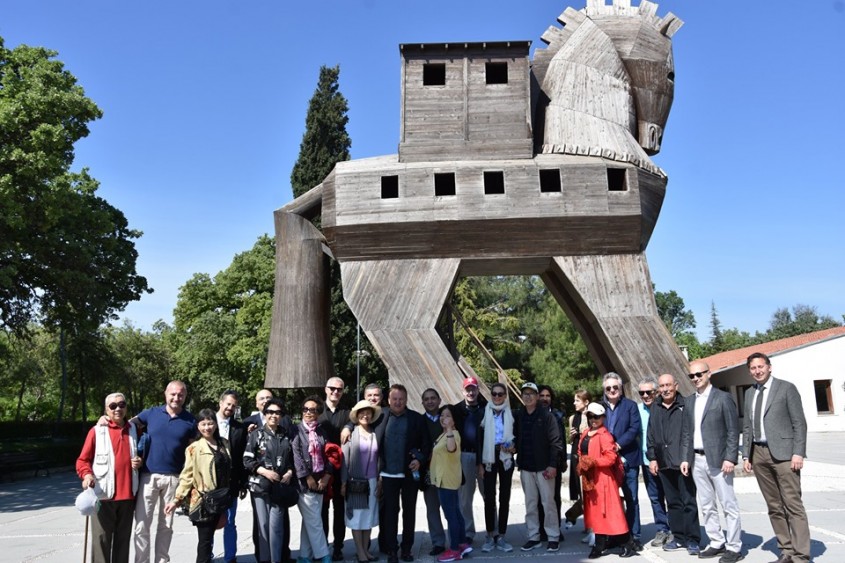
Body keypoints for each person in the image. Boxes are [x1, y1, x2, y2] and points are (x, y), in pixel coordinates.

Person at [742, 352, 810, 563]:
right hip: (759, 454)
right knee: (774, 505)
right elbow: (747, 426)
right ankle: (786, 550)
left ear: (769, 367)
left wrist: (798, 452)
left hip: (785, 455)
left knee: (793, 505)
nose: (757, 371)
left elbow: (799, 423)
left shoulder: (786, 388)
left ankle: (801, 556)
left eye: (761, 367)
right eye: (753, 368)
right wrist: (746, 455)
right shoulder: (749, 393)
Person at [680, 361, 742, 559]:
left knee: (728, 504)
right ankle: (716, 542)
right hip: (696, 460)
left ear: (709, 374)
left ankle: (734, 547)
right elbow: (686, 433)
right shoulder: (689, 401)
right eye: (692, 376)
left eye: (699, 374)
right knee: (706, 505)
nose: (696, 378)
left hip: (719, 460)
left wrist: (730, 457)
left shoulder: (723, 398)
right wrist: (684, 458)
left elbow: (733, 430)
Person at [134, 380, 196, 563]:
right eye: (173, 394)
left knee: (166, 526)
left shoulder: (191, 421)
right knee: (141, 525)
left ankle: (162, 561)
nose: (176, 398)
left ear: (185, 396)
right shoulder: (150, 414)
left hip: (173, 479)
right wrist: (105, 419)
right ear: (165, 394)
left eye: (180, 395)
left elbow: (193, 451)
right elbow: (125, 424)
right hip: (148, 476)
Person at [76, 392, 142, 563]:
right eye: (113, 406)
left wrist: (139, 461)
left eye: (121, 404)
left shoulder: (134, 429)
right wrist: (87, 474)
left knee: (123, 543)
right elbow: (82, 460)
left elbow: (142, 452)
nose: (118, 408)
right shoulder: (97, 431)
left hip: (128, 496)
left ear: (126, 407)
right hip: (103, 496)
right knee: (101, 541)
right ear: (106, 409)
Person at [164, 409, 234, 563]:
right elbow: (187, 476)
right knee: (205, 541)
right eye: (203, 424)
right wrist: (176, 499)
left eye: (210, 423)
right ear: (198, 426)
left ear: (215, 424)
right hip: (204, 500)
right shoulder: (194, 448)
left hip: (221, 499)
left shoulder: (224, 443)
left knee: (212, 539)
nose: (207, 427)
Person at [375, 384, 431, 563]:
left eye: (401, 399)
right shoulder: (380, 416)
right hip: (388, 474)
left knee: (409, 512)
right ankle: (392, 550)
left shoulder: (416, 418)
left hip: (409, 474)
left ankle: (407, 549)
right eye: (395, 399)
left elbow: (426, 444)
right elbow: (358, 419)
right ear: (389, 400)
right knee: (390, 513)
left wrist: (419, 460)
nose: (398, 402)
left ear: (406, 400)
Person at [646, 374, 701, 555]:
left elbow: (688, 434)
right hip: (663, 462)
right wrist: (653, 458)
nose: (665, 389)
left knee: (688, 502)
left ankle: (693, 539)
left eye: (668, 385)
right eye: (662, 386)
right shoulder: (655, 407)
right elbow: (651, 435)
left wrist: (686, 458)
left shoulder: (685, 405)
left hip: (682, 462)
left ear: (676, 386)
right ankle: (678, 537)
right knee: (673, 503)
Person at [577, 403, 636, 559]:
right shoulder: (585, 433)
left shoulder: (605, 435)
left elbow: (611, 458)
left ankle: (627, 543)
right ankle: (600, 544)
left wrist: (593, 462)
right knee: (595, 514)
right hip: (590, 479)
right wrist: (581, 463)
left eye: (596, 416)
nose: (593, 419)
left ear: (603, 417)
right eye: (590, 416)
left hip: (603, 479)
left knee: (611, 513)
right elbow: (580, 451)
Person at [243, 389, 293, 563]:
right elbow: (247, 460)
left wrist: (289, 472)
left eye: (278, 413)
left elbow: (292, 460)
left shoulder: (286, 435)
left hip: (279, 487)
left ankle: (276, 559)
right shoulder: (256, 434)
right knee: (263, 526)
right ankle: (264, 560)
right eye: (270, 412)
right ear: (264, 414)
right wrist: (264, 471)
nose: (274, 415)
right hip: (260, 486)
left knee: (276, 527)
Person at [514, 382, 562, 552]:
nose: (528, 397)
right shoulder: (519, 416)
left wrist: (552, 465)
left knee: (548, 504)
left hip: (544, 468)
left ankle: (553, 536)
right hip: (526, 467)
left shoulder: (547, 416)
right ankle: (533, 537)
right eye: (524, 394)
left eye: (531, 394)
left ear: (536, 396)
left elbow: (556, 443)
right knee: (530, 504)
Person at [600, 372, 642, 551]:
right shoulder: (599, 407)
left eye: (615, 387)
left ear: (620, 388)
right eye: (608, 388)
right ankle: (615, 536)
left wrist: (617, 445)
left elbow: (634, 429)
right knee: (610, 502)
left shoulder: (630, 406)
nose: (612, 390)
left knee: (631, 499)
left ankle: (634, 536)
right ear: (604, 389)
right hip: (606, 462)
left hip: (628, 459)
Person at [293, 395, 334, 563]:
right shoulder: (296, 430)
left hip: (320, 482)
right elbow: (296, 454)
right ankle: (323, 555)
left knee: (310, 521)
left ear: (318, 413)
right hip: (304, 483)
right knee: (315, 522)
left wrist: (326, 476)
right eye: (305, 409)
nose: (308, 412)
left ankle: (304, 556)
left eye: (313, 410)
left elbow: (330, 454)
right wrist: (306, 476)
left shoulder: (321, 431)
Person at [341, 400, 382, 563]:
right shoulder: (350, 434)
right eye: (362, 413)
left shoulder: (374, 433)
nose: (365, 415)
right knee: (357, 518)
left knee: (369, 517)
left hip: (372, 481)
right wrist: (343, 482)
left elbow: (379, 458)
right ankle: (360, 551)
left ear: (372, 416)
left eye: (368, 413)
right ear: (357, 416)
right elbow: (344, 460)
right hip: (355, 483)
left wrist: (380, 479)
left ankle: (365, 550)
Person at [431, 405, 472, 563]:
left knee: (451, 516)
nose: (443, 418)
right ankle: (462, 543)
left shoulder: (452, 434)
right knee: (456, 513)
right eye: (442, 415)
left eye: (448, 416)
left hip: (447, 481)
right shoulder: (444, 434)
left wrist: (448, 428)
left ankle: (454, 549)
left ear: (454, 420)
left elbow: (451, 448)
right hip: (444, 479)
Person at [477, 382, 515, 553]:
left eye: (501, 394)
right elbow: (479, 440)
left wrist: (514, 446)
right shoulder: (484, 413)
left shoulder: (512, 414)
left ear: (505, 396)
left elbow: (518, 435)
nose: (497, 397)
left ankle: (502, 535)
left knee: (505, 496)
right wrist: (480, 463)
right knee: (489, 497)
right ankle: (490, 534)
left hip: (506, 455)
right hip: (489, 456)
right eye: (494, 394)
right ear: (490, 395)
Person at [319, 377, 352, 561]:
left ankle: (338, 546)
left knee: (339, 511)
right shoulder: (316, 411)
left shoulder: (347, 413)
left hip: (340, 469)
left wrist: (348, 426)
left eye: (339, 389)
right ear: (326, 389)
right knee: (322, 511)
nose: (335, 392)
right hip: (321, 470)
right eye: (332, 388)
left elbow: (357, 421)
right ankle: (323, 546)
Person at [450, 376, 486, 544]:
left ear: (478, 390)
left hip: (485, 457)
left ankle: (493, 531)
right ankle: (468, 532)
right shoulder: (456, 410)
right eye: (468, 389)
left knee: (489, 495)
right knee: (465, 498)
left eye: (473, 389)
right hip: (464, 455)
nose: (471, 392)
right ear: (463, 391)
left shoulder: (487, 409)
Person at [636, 377, 671, 547]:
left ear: (656, 392)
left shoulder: (663, 408)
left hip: (666, 461)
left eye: (649, 392)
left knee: (671, 496)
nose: (645, 395)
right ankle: (662, 528)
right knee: (655, 497)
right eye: (641, 393)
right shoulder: (636, 410)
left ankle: (674, 529)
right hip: (646, 461)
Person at [216, 390, 247, 563]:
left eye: (233, 406)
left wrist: (242, 483)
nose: (230, 408)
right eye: (228, 404)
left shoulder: (239, 428)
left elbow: (242, 456)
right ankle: (208, 555)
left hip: (231, 483)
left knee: (229, 521)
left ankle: (230, 557)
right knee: (210, 522)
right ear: (220, 403)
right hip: (210, 482)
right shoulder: (206, 422)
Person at [537, 385, 566, 543]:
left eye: (548, 396)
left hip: (554, 462)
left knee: (555, 498)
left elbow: (561, 439)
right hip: (538, 463)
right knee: (540, 499)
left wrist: (562, 462)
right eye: (542, 395)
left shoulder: (557, 415)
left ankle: (556, 528)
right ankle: (542, 529)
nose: (545, 398)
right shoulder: (532, 414)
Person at [421, 388, 447, 557]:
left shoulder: (448, 418)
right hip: (429, 470)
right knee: (432, 508)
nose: (430, 401)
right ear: (422, 402)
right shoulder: (419, 421)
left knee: (452, 507)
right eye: (427, 399)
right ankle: (438, 542)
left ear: (439, 400)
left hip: (447, 470)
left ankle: (457, 540)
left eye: (433, 398)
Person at [565, 389, 591, 540]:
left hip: (589, 457)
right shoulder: (571, 418)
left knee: (589, 493)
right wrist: (573, 435)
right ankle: (588, 526)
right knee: (582, 492)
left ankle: (573, 515)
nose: (574, 403)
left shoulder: (592, 416)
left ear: (586, 402)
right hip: (576, 456)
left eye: (577, 400)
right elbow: (570, 441)